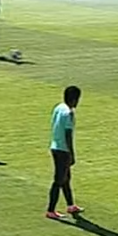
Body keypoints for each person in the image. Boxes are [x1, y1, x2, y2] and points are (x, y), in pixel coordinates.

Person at [46, 86, 84, 219]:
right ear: (74, 99)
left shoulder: (59, 107)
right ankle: (50, 210)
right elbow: (68, 135)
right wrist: (71, 153)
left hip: (55, 145)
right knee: (59, 180)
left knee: (66, 178)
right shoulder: (69, 113)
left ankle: (70, 205)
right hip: (62, 150)